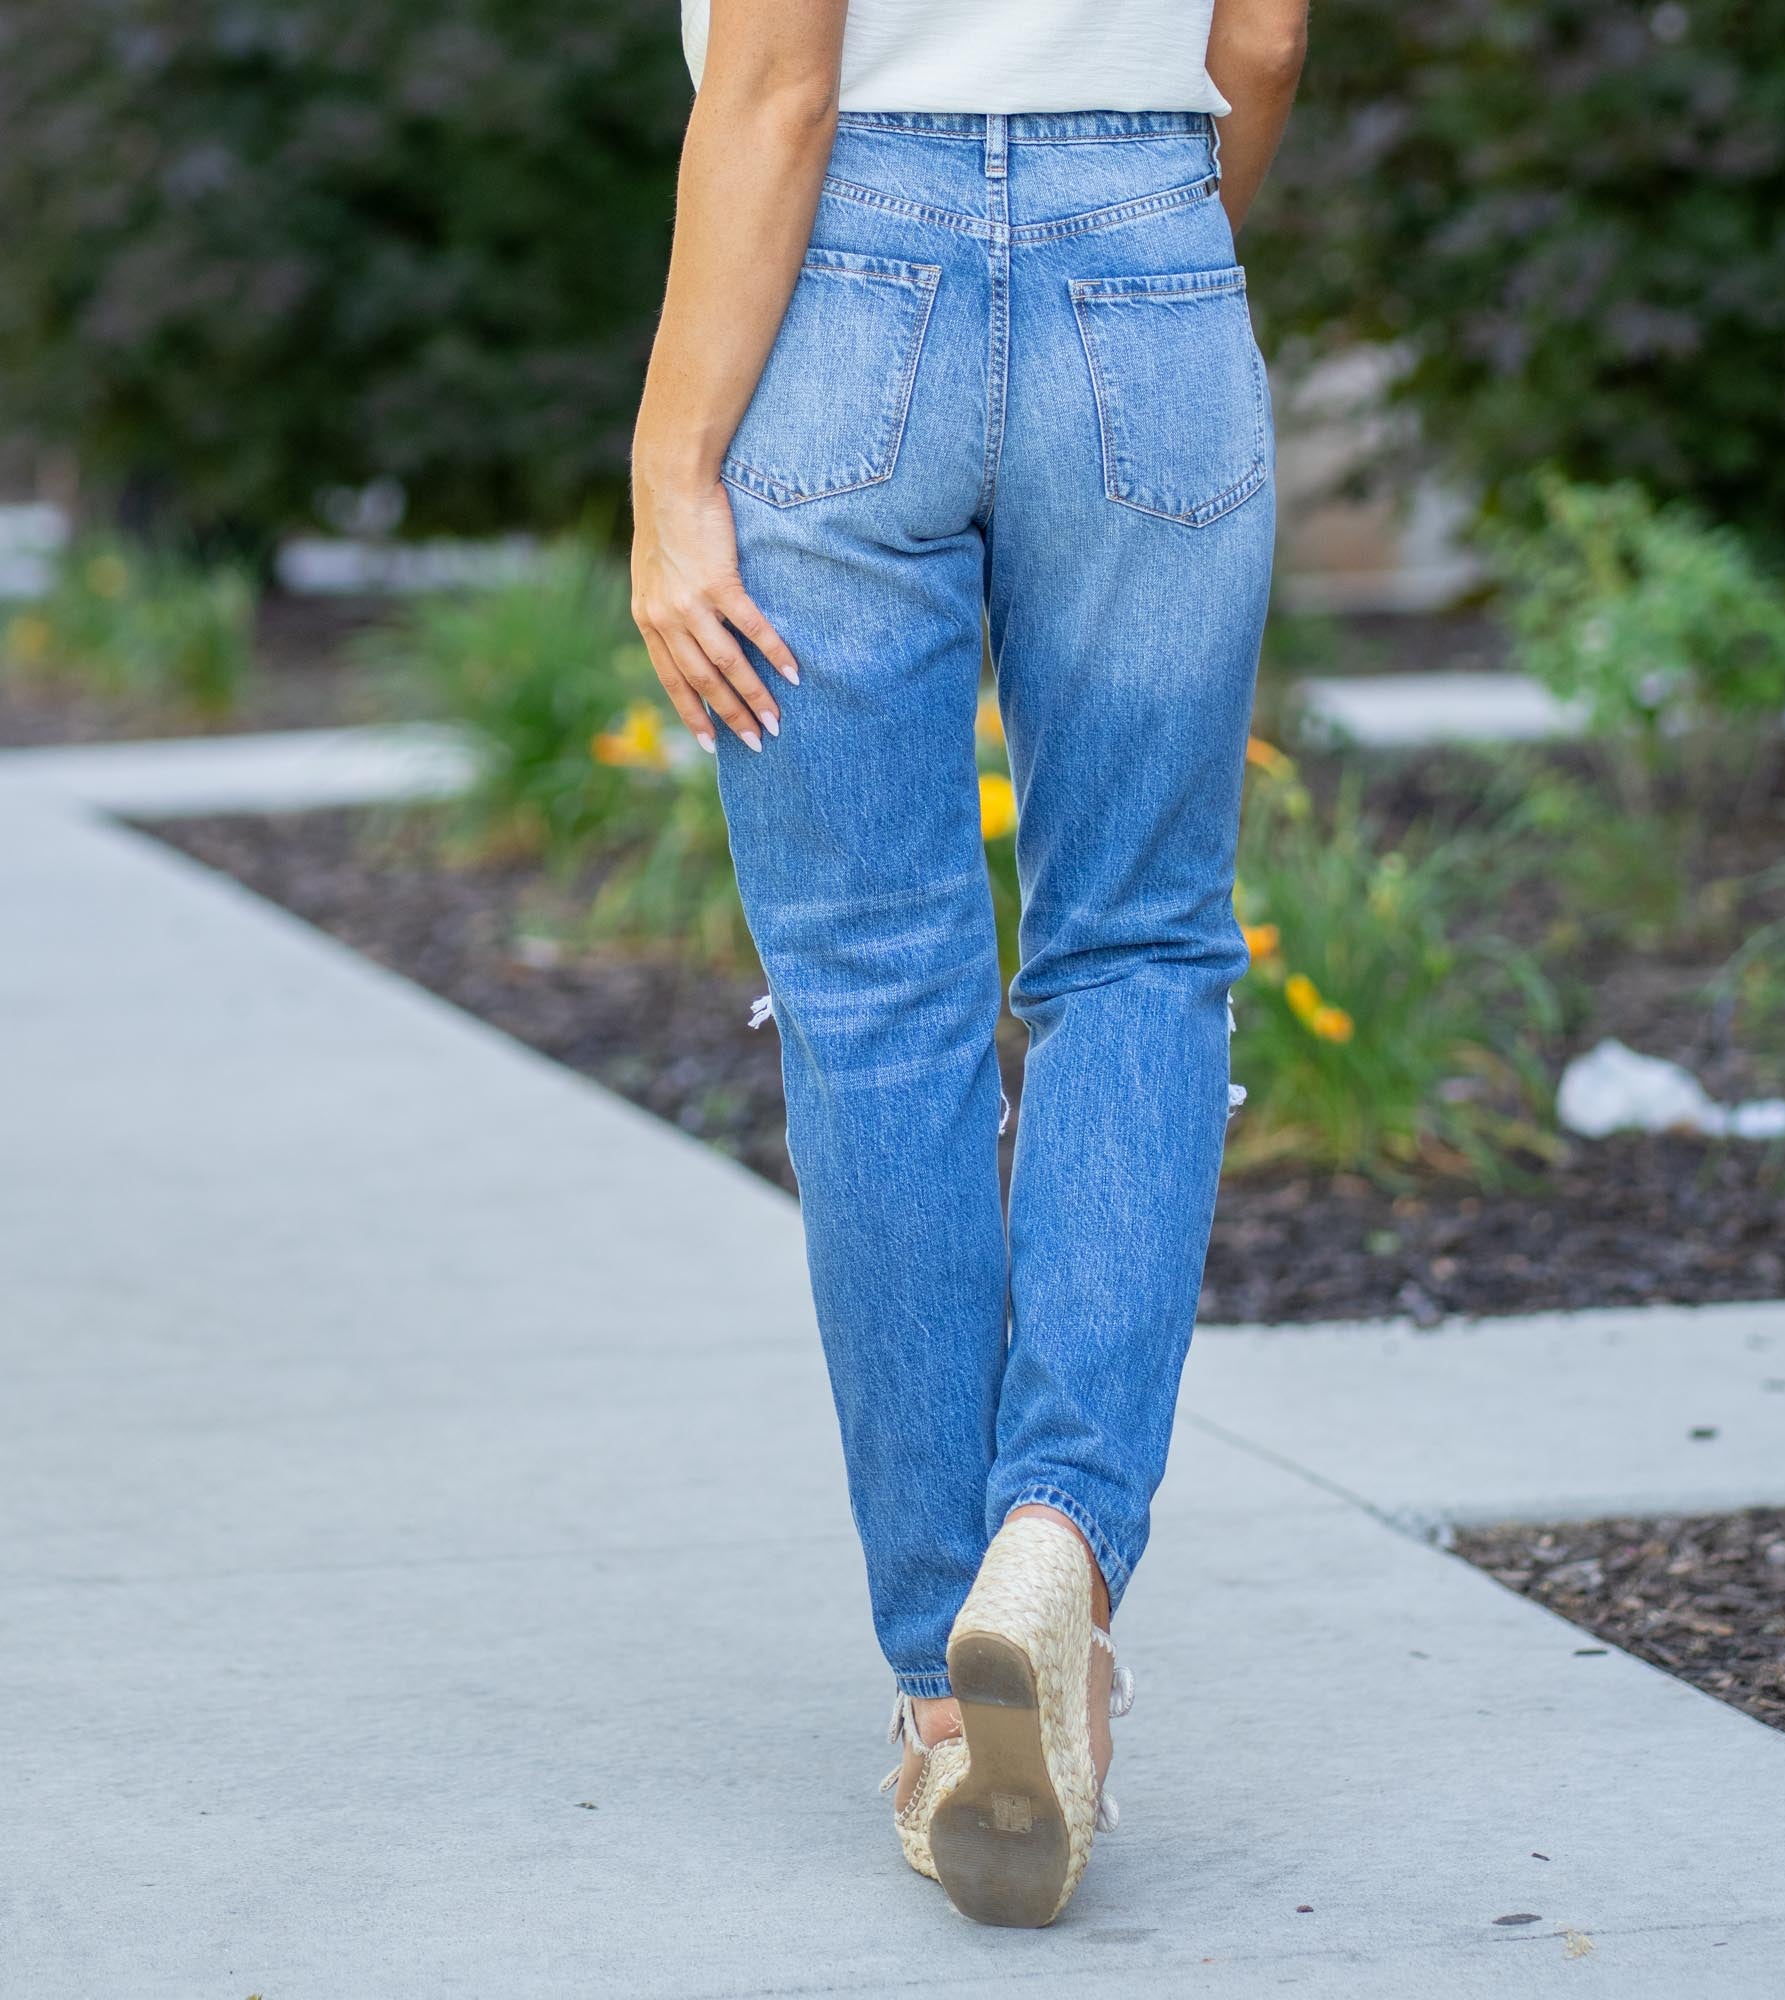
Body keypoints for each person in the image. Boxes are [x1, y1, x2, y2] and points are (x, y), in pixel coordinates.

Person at [629, 0, 1307, 1928]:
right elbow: (1262, 40)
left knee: (874, 995)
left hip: (842, 276)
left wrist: (671, 468)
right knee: (1142, 953)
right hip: (1153, 252)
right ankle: (1056, 1546)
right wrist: (1141, 254)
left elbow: (779, 81)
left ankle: (950, 1687)